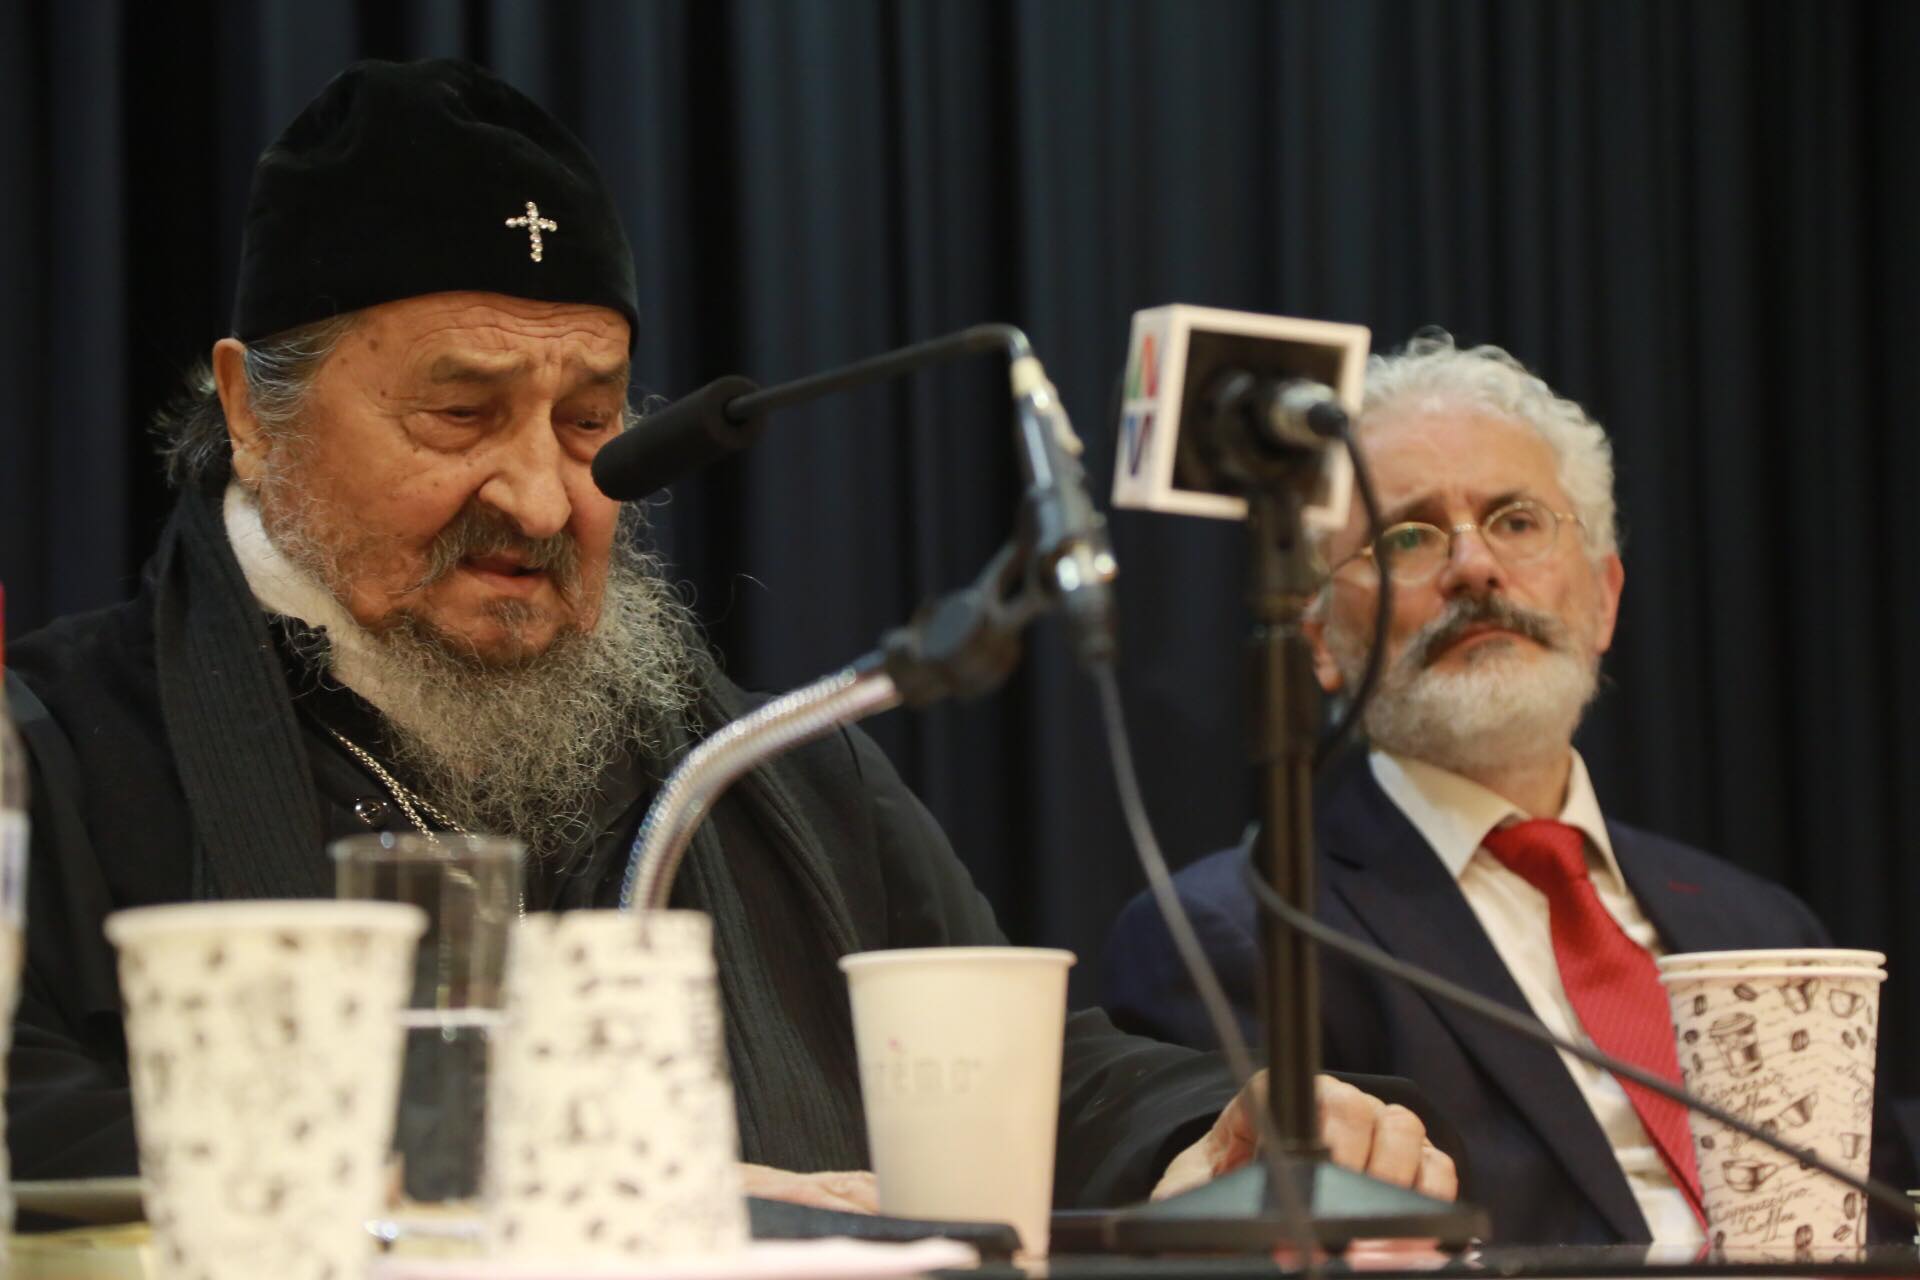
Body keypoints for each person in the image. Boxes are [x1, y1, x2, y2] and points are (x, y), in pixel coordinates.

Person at [4, 58, 1455, 1215]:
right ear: (253, 412)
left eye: (591, 421)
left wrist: (1204, 1128)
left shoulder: (766, 762)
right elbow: (29, 1113)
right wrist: (585, 1190)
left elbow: (1003, 1064)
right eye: (458, 414)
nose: (538, 496)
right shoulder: (56, 750)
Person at [1103, 334, 1915, 1243]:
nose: (1474, 567)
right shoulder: (1238, 934)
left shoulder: (1764, 926)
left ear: (1604, 598)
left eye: (1517, 521)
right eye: (1407, 535)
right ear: (1321, 640)